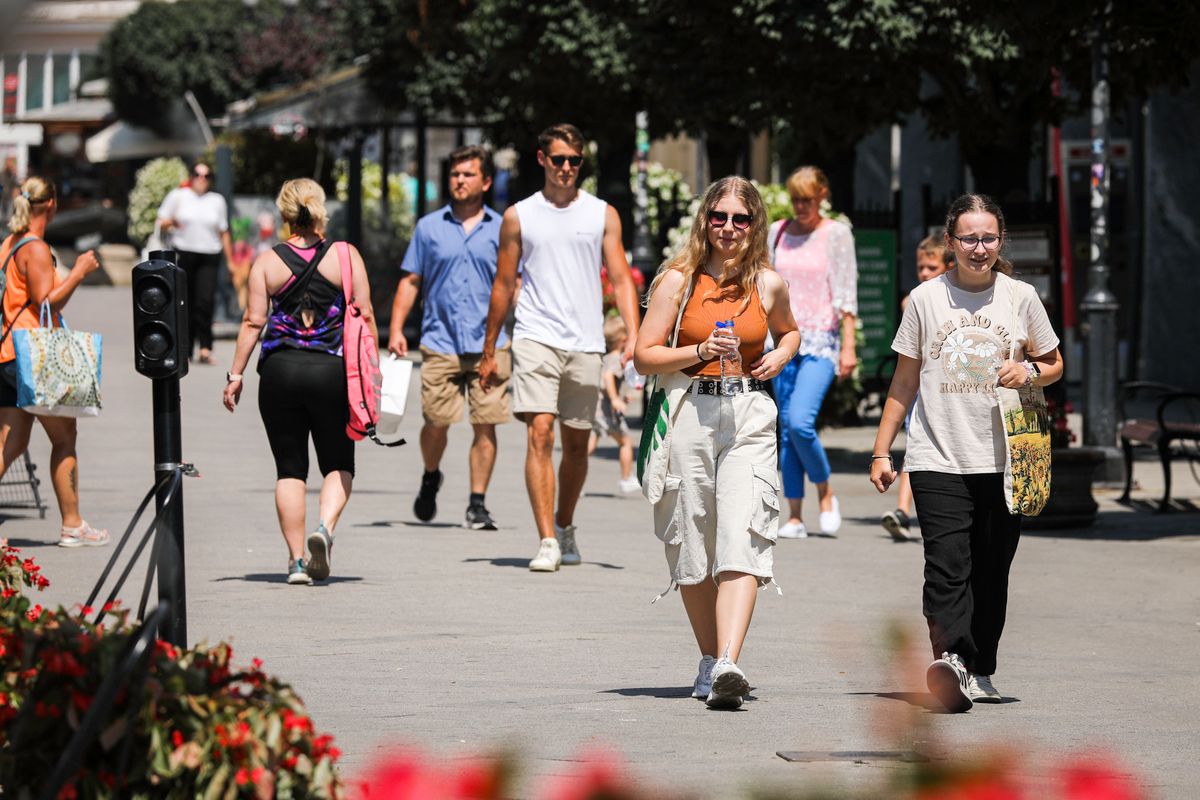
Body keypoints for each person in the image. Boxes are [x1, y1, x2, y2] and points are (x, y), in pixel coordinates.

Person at [869, 193, 1063, 712]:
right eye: (969, 238)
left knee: (992, 568)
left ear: (1001, 242)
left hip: (1007, 459)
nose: (979, 248)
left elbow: (1054, 363)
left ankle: (981, 667)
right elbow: (904, 381)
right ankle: (951, 659)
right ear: (950, 242)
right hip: (938, 455)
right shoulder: (926, 299)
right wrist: (882, 451)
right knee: (947, 565)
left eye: (989, 238)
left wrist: (1031, 372)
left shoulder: (1020, 297)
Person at [635, 176, 799, 709]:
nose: (728, 228)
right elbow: (644, 355)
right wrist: (699, 347)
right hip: (690, 410)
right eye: (719, 217)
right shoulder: (677, 283)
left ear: (755, 227)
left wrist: (782, 354)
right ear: (705, 220)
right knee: (691, 538)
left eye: (740, 219)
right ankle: (709, 657)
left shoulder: (768, 284)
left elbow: (789, 330)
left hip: (749, 410)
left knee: (742, 531)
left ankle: (729, 661)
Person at [478, 123, 641, 571]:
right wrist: (491, 347)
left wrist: (635, 334)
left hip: (585, 342)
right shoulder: (519, 215)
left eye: (574, 161)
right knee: (540, 432)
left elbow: (622, 277)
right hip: (534, 336)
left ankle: (565, 523)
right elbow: (504, 283)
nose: (567, 168)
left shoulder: (602, 214)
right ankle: (547, 539)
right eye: (559, 160)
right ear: (542, 160)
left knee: (575, 445)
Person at [223, 179, 374, 585]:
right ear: (321, 209)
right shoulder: (345, 256)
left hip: (279, 373)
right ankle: (323, 529)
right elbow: (364, 315)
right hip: (332, 373)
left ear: (285, 213)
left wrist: (235, 375)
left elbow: (253, 321)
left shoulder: (267, 261)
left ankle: (294, 563)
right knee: (338, 462)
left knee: (289, 468)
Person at [389, 145, 508, 530]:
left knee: (485, 422)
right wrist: (395, 330)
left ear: (486, 181)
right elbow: (410, 280)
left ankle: (477, 503)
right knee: (436, 422)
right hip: (439, 340)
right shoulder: (428, 227)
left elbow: (514, 283)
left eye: (468, 174)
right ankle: (430, 473)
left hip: (490, 343)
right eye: (455, 174)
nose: (459, 180)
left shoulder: (503, 227)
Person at [0, 176, 108, 547]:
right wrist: (78, 271)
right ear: (52, 204)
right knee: (65, 438)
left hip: (8, 354)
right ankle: (73, 525)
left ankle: (73, 523)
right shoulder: (35, 247)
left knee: (9, 444)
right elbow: (48, 301)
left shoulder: (9, 244)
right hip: (31, 357)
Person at [767, 166, 857, 539]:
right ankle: (794, 515)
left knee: (801, 421)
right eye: (796, 199)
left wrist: (848, 347)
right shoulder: (779, 232)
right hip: (780, 340)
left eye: (808, 199)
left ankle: (824, 490)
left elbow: (846, 292)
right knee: (786, 428)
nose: (801, 206)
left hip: (820, 340)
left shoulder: (836, 234)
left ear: (822, 195)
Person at [880, 236, 953, 542]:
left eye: (931, 266)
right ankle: (902, 510)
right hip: (919, 387)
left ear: (948, 266)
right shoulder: (914, 300)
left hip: (949, 388)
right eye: (920, 266)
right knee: (916, 447)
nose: (923, 272)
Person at [157, 161, 236, 365]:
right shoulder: (179, 196)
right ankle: (186, 348)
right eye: (198, 175)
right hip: (184, 252)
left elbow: (223, 231)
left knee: (205, 301)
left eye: (206, 176)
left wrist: (231, 261)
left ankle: (206, 348)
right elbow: (162, 221)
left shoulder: (216, 200)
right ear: (191, 177)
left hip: (209, 254)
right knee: (185, 302)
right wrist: (173, 223)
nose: (202, 179)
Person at [587, 316, 639, 495]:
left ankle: (572, 475)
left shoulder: (606, 357)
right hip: (608, 412)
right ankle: (626, 478)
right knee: (625, 442)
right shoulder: (617, 359)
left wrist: (621, 398)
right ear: (623, 340)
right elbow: (608, 377)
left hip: (595, 408)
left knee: (589, 445)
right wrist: (616, 399)